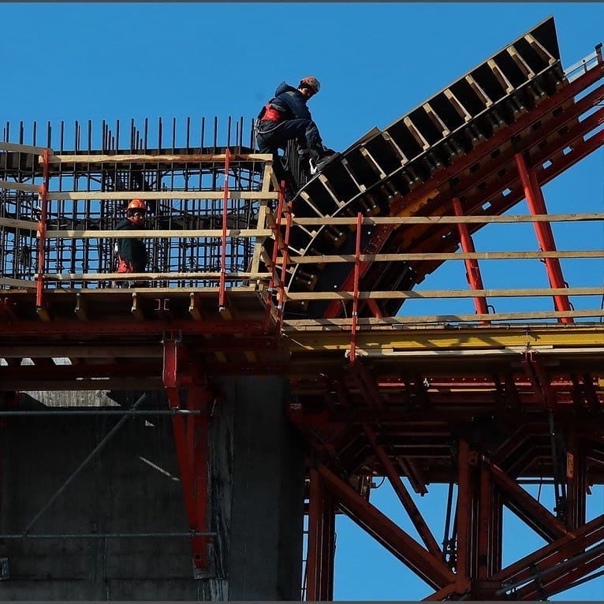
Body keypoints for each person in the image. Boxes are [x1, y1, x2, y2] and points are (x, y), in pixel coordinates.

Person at [256, 76, 333, 166]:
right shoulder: (293, 95)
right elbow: (305, 117)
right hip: (272, 128)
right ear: (300, 87)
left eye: (311, 94)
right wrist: (319, 148)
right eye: (307, 91)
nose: (308, 95)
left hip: (262, 135)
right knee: (308, 125)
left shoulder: (285, 98)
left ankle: (271, 178)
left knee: (271, 167)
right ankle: (320, 160)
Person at [115, 198, 148, 286]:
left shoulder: (135, 229)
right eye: (138, 215)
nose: (141, 218)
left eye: (142, 215)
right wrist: (134, 273)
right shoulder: (128, 229)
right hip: (130, 273)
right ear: (131, 214)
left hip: (135, 272)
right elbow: (127, 252)